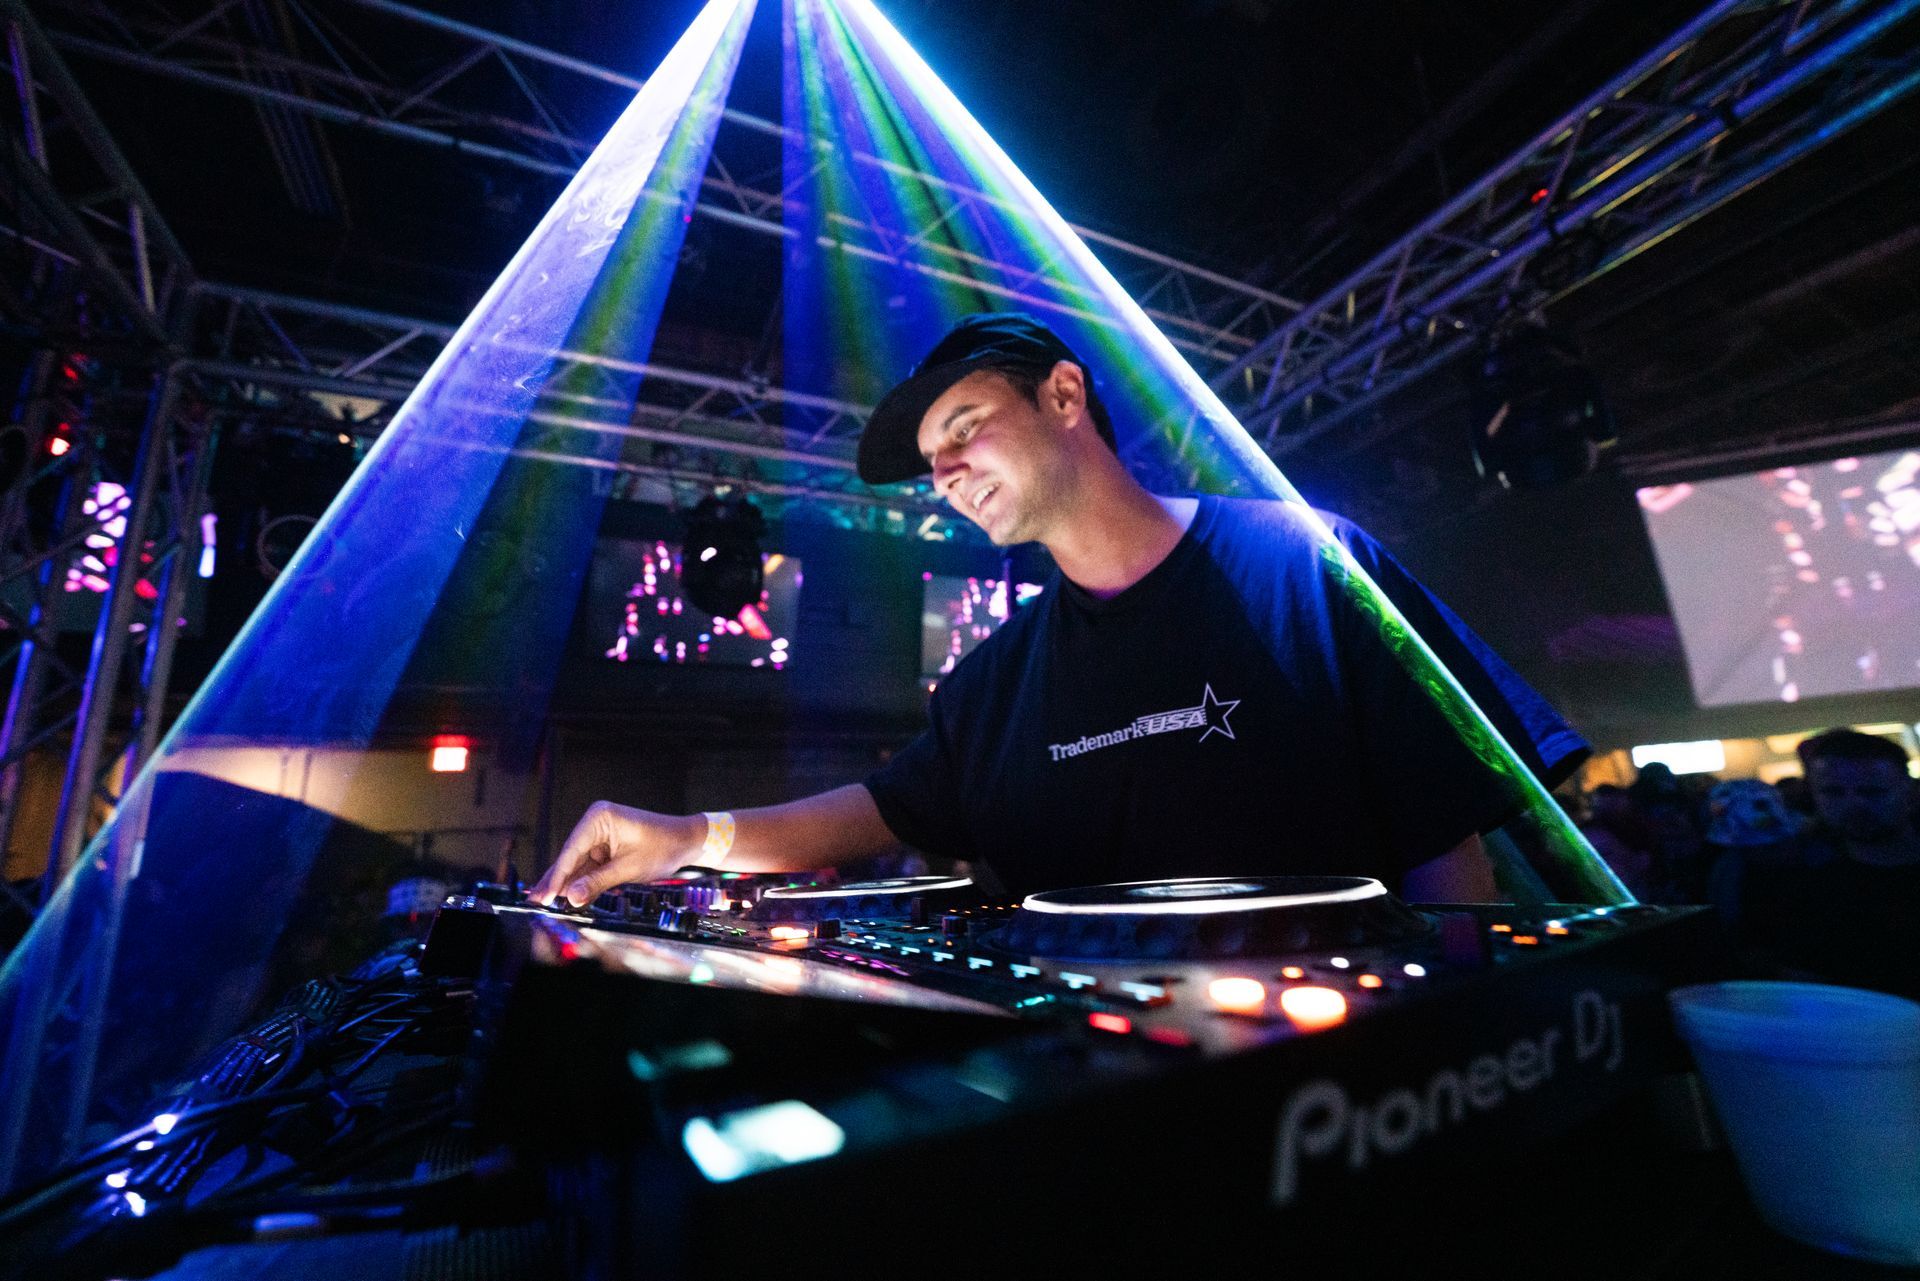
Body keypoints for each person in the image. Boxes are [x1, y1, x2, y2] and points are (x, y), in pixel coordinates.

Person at [531, 315, 1590, 909]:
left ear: (1066, 399)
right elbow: (887, 808)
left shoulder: (1307, 566)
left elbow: (1452, 853)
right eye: (932, 461)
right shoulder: (994, 681)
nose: (945, 472)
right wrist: (689, 837)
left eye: (964, 427)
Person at [1740, 729, 1920, 996]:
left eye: (1872, 791)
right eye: (1834, 792)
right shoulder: (1803, 894)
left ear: (1910, 793)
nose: (1854, 804)